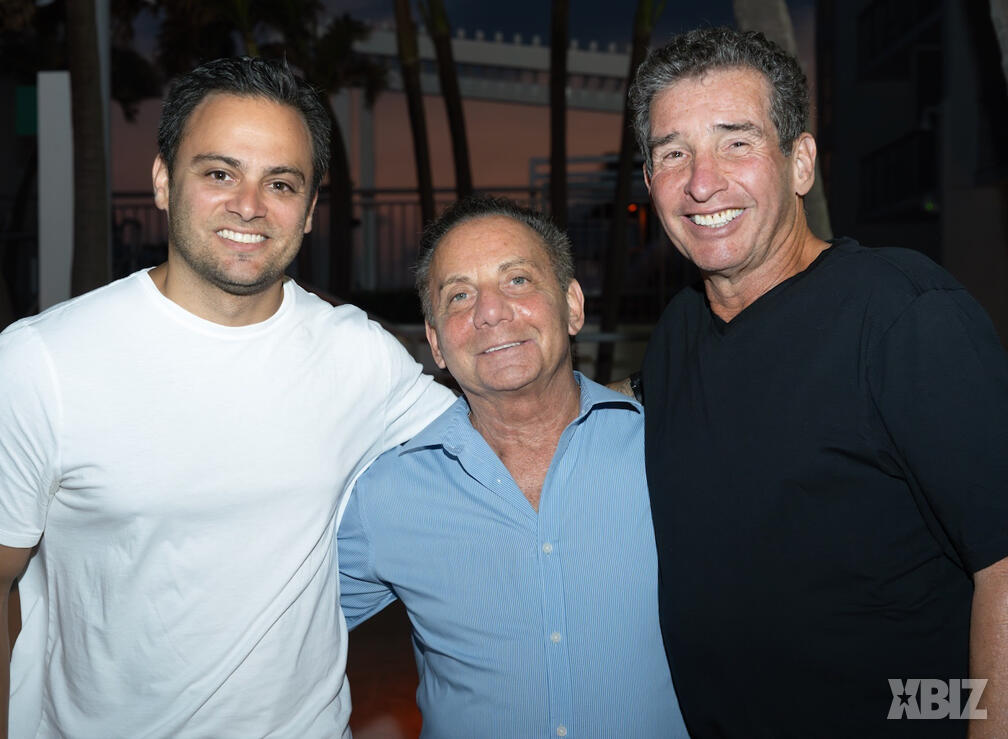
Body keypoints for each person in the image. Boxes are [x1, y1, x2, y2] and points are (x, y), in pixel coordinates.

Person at [0, 57, 452, 737]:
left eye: (281, 183)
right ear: (162, 181)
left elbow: (502, 436)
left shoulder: (356, 355)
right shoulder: (40, 364)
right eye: (219, 173)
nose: (249, 205)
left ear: (309, 211)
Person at [628, 26, 1008, 737]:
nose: (702, 182)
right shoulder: (677, 333)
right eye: (673, 153)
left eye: (736, 142)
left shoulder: (903, 316)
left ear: (800, 163)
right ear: (651, 183)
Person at [338, 196, 688, 738]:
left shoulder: (667, 453)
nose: (491, 312)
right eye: (459, 295)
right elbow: (274, 632)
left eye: (518, 280)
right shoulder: (386, 495)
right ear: (436, 342)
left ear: (573, 306)